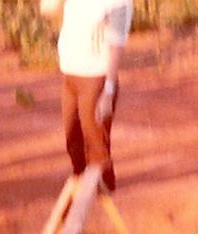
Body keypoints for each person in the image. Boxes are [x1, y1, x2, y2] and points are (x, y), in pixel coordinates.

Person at [40, 0, 133, 191]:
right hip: (70, 76)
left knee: (95, 143)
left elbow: (116, 45)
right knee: (73, 141)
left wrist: (108, 92)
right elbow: (47, 9)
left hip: (95, 79)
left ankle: (103, 192)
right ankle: (81, 188)